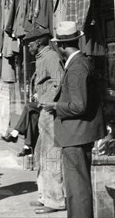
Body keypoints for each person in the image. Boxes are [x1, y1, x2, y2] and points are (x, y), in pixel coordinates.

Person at [43, 21, 105, 218]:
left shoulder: (77, 67)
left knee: (77, 190)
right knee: (76, 188)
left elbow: (79, 105)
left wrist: (53, 106)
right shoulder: (80, 63)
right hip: (77, 134)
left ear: (60, 46)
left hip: (75, 136)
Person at [25, 28, 66, 215]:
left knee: (51, 157)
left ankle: (55, 200)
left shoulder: (50, 57)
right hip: (44, 112)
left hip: (50, 113)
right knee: (42, 155)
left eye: (30, 43)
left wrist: (48, 102)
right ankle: (44, 196)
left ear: (39, 42)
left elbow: (59, 81)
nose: (28, 47)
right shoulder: (43, 57)